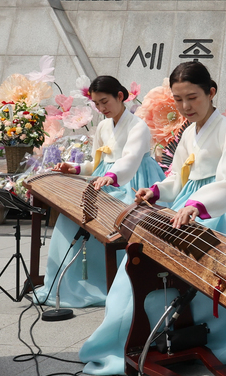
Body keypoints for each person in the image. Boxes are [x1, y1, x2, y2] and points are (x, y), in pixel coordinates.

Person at [130, 61, 226, 367]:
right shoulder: (190, 133)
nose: (185, 106)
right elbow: (179, 176)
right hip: (194, 202)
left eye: (193, 97)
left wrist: (197, 205)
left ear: (211, 92)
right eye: (178, 99)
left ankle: (224, 336)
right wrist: (156, 191)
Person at [33, 76, 162, 311]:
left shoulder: (138, 126)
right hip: (105, 181)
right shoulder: (103, 126)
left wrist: (112, 176)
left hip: (133, 183)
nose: (102, 108)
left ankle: (116, 284)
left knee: (112, 221)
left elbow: (131, 160)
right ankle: (68, 285)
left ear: (120, 96)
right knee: (70, 219)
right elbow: (97, 163)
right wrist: (75, 168)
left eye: (105, 102)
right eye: (97, 104)